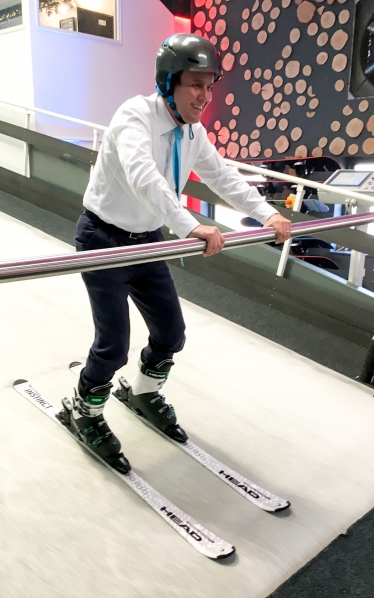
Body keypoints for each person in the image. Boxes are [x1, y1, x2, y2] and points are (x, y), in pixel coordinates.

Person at [63, 34, 291, 473]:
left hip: (147, 240)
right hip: (103, 239)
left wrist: (267, 214)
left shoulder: (193, 132)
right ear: (168, 82)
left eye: (210, 86)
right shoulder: (134, 116)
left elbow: (223, 177)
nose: (204, 97)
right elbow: (143, 177)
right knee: (113, 346)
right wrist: (190, 224)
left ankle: (144, 392)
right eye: (194, 85)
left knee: (171, 333)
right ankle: (85, 410)